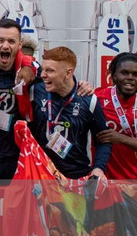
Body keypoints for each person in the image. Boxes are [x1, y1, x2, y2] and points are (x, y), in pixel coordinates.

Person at [28, 47, 110, 181]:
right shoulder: (34, 92)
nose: (42, 74)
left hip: (76, 177)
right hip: (41, 175)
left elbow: (103, 140)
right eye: (43, 69)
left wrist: (98, 168)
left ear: (68, 73)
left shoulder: (88, 100)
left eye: (50, 70)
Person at [0, 19, 36, 182]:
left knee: (16, 207)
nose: (5, 46)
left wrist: (80, 84)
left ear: (19, 44)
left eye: (11, 41)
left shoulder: (28, 70)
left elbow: (54, 77)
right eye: (1, 40)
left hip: (17, 157)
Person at [97, 53, 137, 183]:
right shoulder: (97, 98)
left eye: (135, 74)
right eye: (125, 73)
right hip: (107, 184)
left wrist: (120, 138)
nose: (130, 78)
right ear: (114, 76)